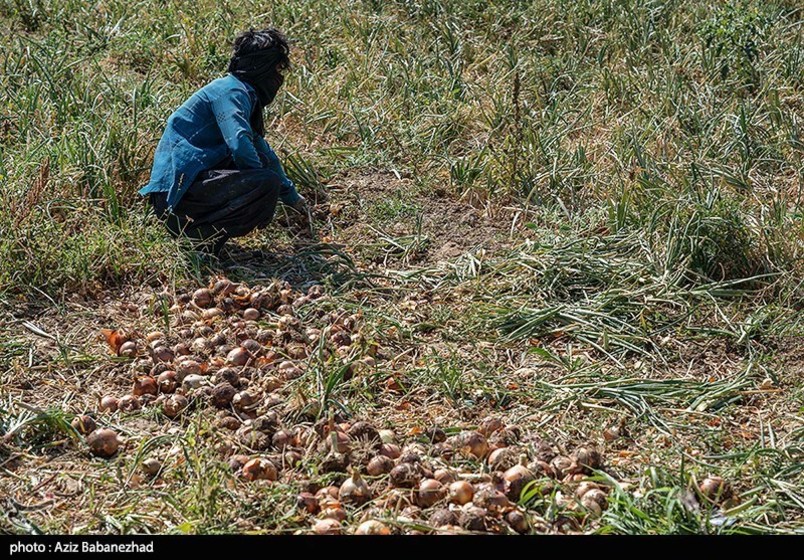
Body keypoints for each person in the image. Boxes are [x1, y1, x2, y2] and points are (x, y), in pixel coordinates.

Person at [139, 28, 309, 255]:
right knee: (266, 182)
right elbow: (239, 142)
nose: (279, 79)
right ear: (263, 68)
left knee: (266, 178)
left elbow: (263, 153)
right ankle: (197, 237)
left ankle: (203, 238)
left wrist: (293, 199)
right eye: (277, 70)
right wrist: (258, 184)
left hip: (186, 192)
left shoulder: (239, 94)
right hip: (177, 195)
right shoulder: (231, 91)